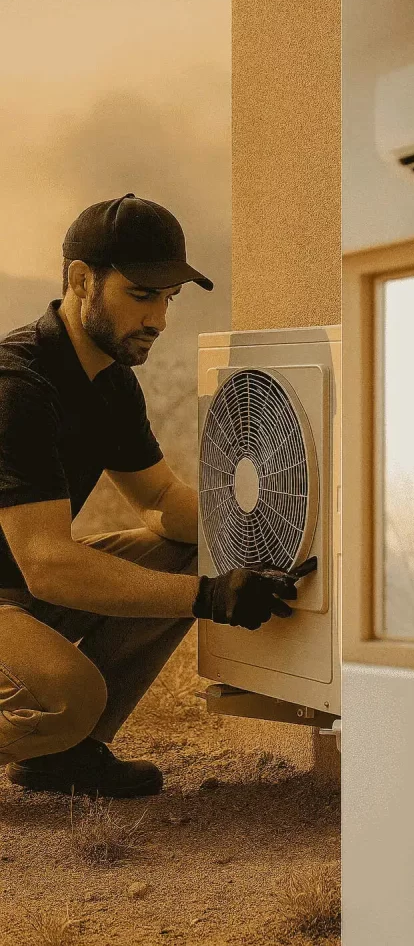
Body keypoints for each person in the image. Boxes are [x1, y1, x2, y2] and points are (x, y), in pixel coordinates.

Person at [0, 194, 302, 799]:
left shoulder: (108, 382)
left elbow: (160, 499)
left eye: (169, 298)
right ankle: (66, 728)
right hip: (23, 584)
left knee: (191, 549)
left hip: (18, 591)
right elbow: (48, 564)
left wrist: (271, 531)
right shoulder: (17, 386)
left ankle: (64, 757)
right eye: (142, 295)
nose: (160, 319)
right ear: (82, 280)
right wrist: (209, 597)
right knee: (71, 694)